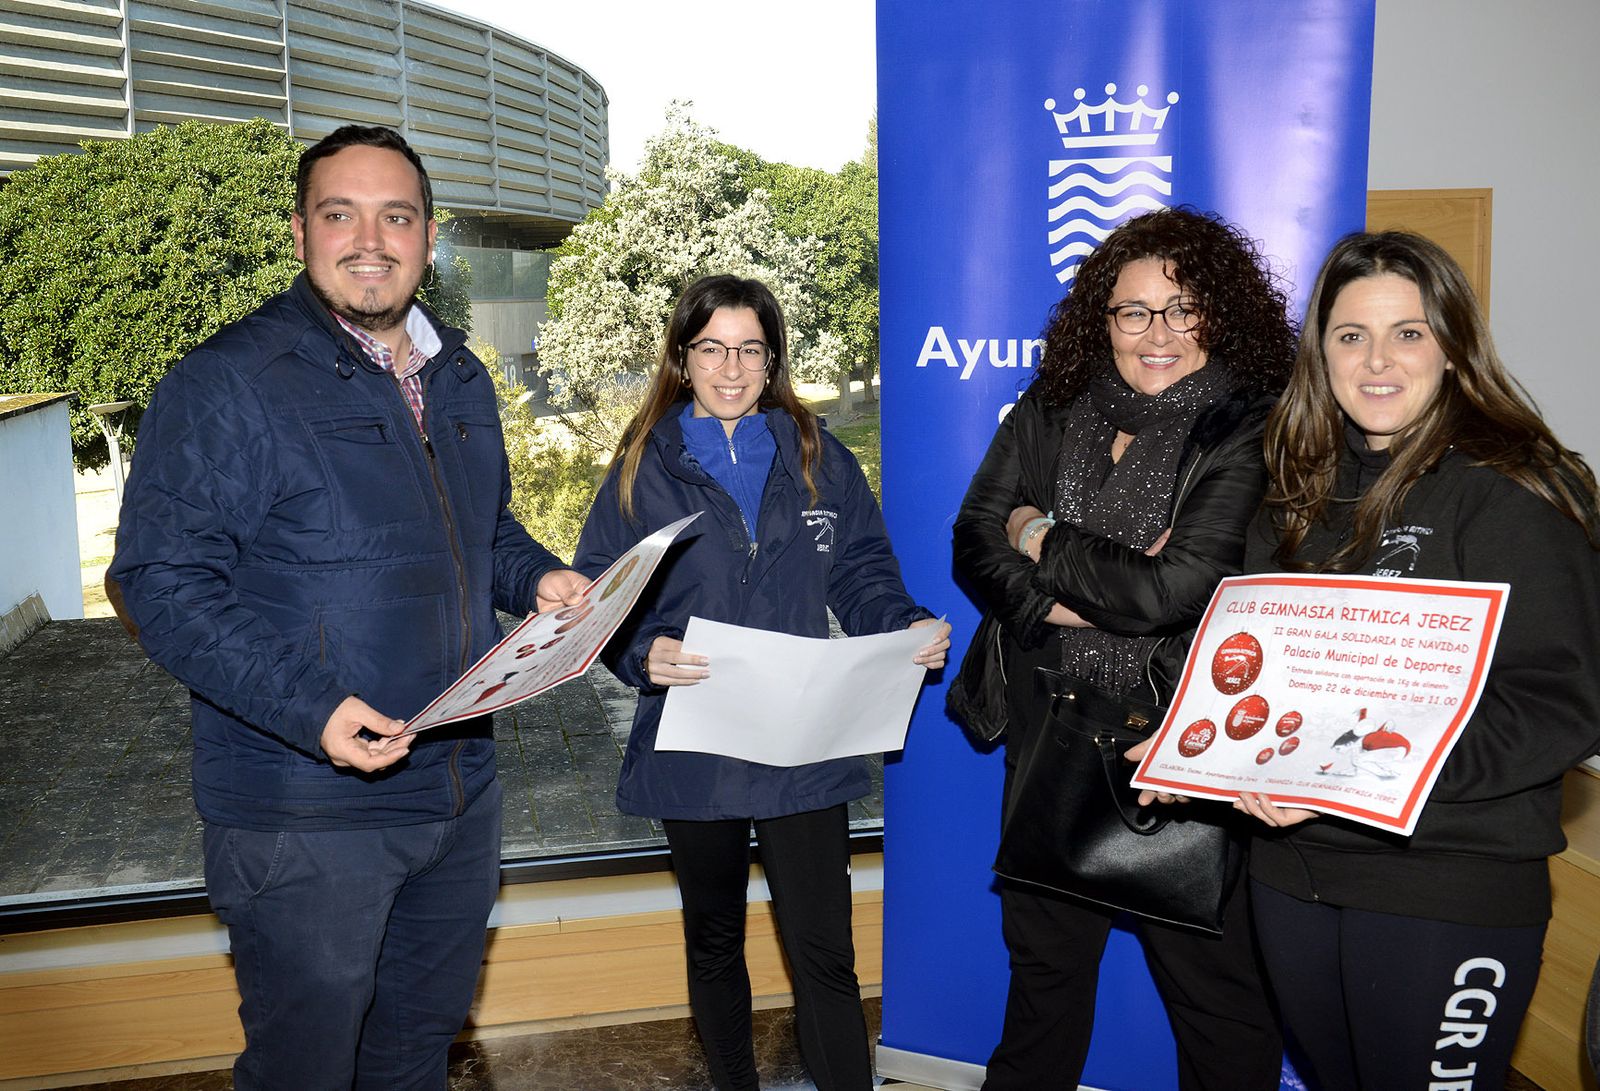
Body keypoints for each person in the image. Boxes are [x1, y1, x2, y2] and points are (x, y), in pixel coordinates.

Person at [107, 125, 586, 1089]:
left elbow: (481, 533)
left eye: (396, 216)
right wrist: (311, 708)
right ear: (299, 233)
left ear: (429, 234)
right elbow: (157, 578)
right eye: (341, 214)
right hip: (304, 815)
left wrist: (536, 578)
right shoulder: (228, 383)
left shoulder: (457, 375)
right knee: (306, 1072)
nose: (371, 239)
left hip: (457, 791)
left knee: (412, 1057)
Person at [1233, 230, 1600, 1088]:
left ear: (1454, 343)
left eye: (1410, 332)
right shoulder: (1295, 495)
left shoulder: (1515, 485)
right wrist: (1211, 744)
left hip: (1448, 884)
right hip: (1294, 879)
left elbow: (1559, 701)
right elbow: (1259, 670)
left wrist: (1347, 778)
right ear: (1320, 354)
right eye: (1351, 334)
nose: (1377, 361)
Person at [573, 274, 950, 1091]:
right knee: (713, 936)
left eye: (750, 349)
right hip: (695, 737)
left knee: (825, 952)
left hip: (802, 738)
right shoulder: (645, 462)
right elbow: (598, 592)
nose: (732, 367)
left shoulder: (817, 451)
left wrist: (903, 626)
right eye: (712, 348)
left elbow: (862, 571)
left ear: (773, 357)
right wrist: (643, 648)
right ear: (683, 355)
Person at [951, 207, 1295, 1089]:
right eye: (1133, 311)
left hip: (1176, 747)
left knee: (1219, 1010)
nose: (1158, 333)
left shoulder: (1250, 427)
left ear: (1221, 315)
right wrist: (1062, 602)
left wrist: (1040, 529)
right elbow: (971, 539)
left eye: (1182, 309)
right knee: (1042, 992)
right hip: (1048, 733)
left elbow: (1169, 591)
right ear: (1100, 320)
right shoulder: (1053, 404)